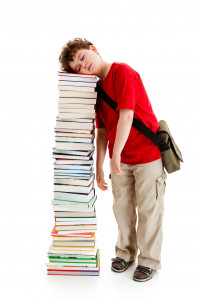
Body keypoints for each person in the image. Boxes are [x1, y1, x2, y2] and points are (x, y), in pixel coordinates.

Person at [59, 38, 167, 282]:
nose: (82, 65)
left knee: (149, 209)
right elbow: (102, 131)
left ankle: (149, 260)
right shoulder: (96, 91)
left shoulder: (123, 72)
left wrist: (115, 153)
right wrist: (99, 165)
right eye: (76, 67)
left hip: (147, 156)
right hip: (122, 160)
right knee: (122, 207)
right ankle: (125, 253)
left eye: (82, 57)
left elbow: (127, 116)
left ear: (93, 49)